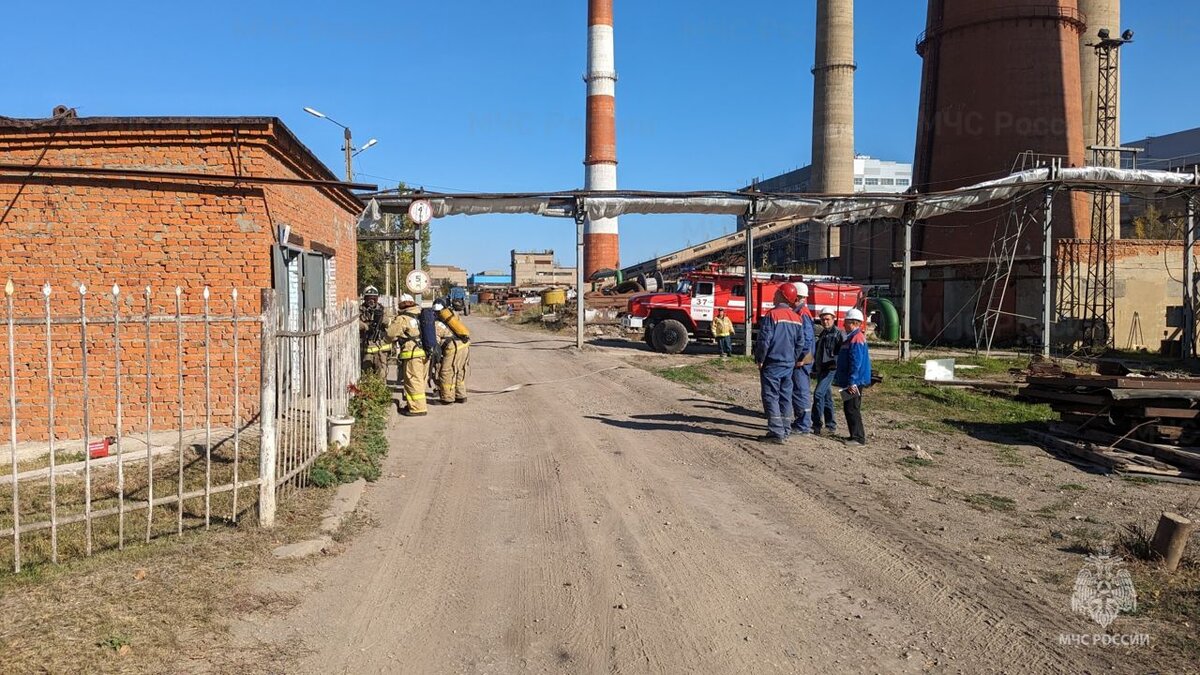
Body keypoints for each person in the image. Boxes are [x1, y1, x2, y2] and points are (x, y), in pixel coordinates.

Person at [753, 284, 805, 444]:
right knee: (785, 396)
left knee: (771, 396)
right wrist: (793, 359)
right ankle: (785, 429)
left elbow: (764, 340)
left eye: (776, 293)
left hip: (773, 363)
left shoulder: (772, 315)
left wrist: (760, 359)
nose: (774, 296)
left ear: (782, 296)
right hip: (788, 364)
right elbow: (800, 343)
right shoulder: (797, 317)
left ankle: (776, 432)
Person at [833, 308, 872, 446]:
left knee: (852, 407)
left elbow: (856, 362)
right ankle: (854, 436)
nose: (843, 324)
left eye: (846, 322)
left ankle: (858, 438)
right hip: (852, 380)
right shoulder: (853, 337)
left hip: (854, 381)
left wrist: (852, 381)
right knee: (849, 407)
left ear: (854, 323)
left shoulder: (856, 338)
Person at [387, 294, 429, 416]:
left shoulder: (403, 318)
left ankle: (418, 409)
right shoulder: (420, 313)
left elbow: (390, 334)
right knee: (420, 381)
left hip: (412, 354)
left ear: (401, 304)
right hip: (424, 352)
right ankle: (414, 404)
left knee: (413, 381)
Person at [811, 307, 845, 436]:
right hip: (821, 368)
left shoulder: (838, 334)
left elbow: (842, 353)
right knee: (827, 397)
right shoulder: (823, 333)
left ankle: (817, 424)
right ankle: (831, 425)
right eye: (823, 319)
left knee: (818, 394)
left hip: (831, 369)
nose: (825, 321)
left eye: (827, 319)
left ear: (833, 319)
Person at [788, 283, 816, 436]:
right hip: (805, 357)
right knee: (799, 390)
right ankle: (802, 421)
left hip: (802, 359)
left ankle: (803, 424)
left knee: (800, 390)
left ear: (796, 297)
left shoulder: (802, 313)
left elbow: (806, 338)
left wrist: (800, 357)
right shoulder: (802, 311)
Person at [433, 301, 471, 404]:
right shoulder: (453, 316)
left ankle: (447, 398)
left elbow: (435, 342)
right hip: (465, 345)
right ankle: (461, 396)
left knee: (446, 372)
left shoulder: (436, 324)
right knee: (459, 370)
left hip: (453, 348)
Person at [359, 286, 390, 375]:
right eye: (369, 298)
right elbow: (354, 324)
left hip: (381, 350)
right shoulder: (359, 311)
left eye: (374, 298)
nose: (372, 301)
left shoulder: (383, 310)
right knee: (366, 375)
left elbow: (390, 322)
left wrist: (382, 320)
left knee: (381, 374)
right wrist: (365, 326)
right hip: (366, 349)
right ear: (364, 298)